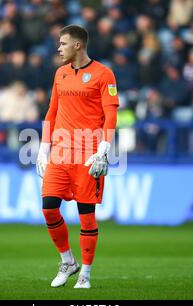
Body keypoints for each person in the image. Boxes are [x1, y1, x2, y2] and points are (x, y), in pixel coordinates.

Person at [36, 25, 119, 289]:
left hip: (88, 155)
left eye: (62, 43)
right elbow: (52, 111)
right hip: (60, 154)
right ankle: (67, 261)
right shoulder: (60, 74)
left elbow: (111, 114)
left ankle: (85, 273)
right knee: (49, 208)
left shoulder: (104, 75)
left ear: (77, 45)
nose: (59, 48)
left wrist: (104, 148)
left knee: (86, 217)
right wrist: (44, 146)